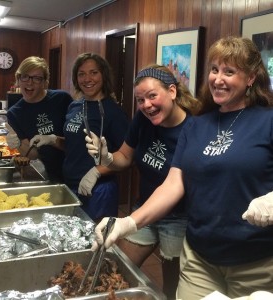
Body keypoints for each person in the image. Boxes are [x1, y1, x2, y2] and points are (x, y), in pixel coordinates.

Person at [88, 36, 273, 299]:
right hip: (199, 258)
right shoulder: (197, 126)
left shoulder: (267, 121)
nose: (218, 79)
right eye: (214, 69)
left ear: (251, 78)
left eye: (229, 71)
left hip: (256, 262)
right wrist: (128, 223)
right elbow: (174, 184)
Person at [85, 64, 200, 299]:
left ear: (172, 91)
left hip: (179, 218)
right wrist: (105, 158)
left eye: (152, 96)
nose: (146, 105)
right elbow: (125, 158)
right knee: (118, 267)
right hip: (144, 208)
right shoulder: (142, 119)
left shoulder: (194, 128)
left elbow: (177, 184)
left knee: (172, 285)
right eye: (140, 100)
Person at [30, 53, 129, 222]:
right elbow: (73, 145)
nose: (87, 78)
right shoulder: (75, 106)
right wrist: (53, 139)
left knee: (97, 240)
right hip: (70, 183)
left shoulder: (113, 112)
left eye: (93, 72)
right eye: (81, 74)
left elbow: (127, 158)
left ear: (103, 75)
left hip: (99, 189)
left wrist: (96, 172)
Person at [6, 56, 73, 183]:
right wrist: (19, 145)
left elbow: (78, 140)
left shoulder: (62, 99)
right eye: (25, 76)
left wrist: (53, 140)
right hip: (49, 175)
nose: (29, 83)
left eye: (37, 78)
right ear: (18, 79)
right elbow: (33, 155)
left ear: (45, 82)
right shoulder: (14, 113)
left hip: (75, 169)